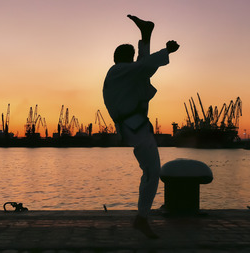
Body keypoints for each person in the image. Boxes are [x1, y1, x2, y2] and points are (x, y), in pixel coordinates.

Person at [102, 15, 180, 239]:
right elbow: (143, 65)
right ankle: (142, 218)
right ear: (121, 59)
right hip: (133, 127)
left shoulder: (129, 74)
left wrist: (146, 37)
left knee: (151, 172)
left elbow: (143, 67)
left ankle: (142, 218)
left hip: (138, 127)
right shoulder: (117, 71)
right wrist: (165, 50)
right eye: (130, 56)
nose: (133, 60)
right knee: (152, 171)